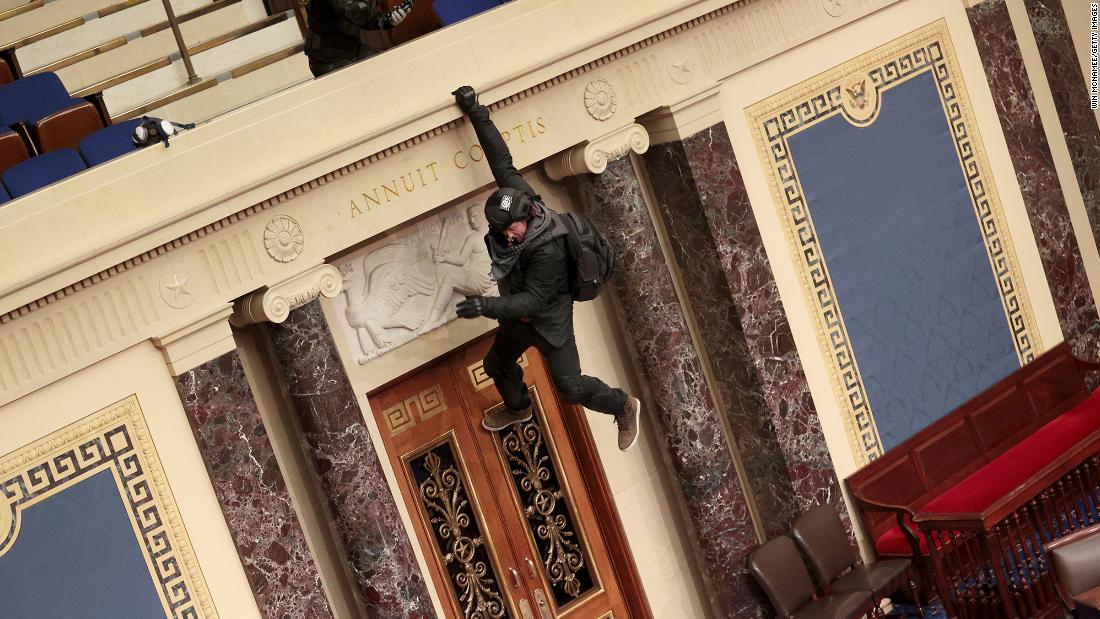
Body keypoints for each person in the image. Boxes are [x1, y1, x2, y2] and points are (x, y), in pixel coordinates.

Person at [450, 85, 641, 451]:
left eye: (511, 229)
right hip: (517, 321)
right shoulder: (519, 199)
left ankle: (622, 404)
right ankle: (518, 408)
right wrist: (477, 112)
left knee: (570, 388)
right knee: (496, 365)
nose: (507, 237)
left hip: (549, 322)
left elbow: (532, 302)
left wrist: (484, 306)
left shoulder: (547, 249)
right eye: (500, 231)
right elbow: (501, 161)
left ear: (527, 217)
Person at [305, 0, 414, 78]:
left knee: (388, 69)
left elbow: (368, 18)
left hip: (350, 47)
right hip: (327, 59)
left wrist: (390, 20)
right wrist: (384, 20)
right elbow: (356, 11)